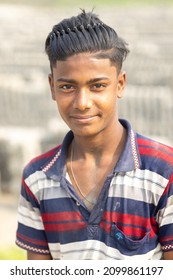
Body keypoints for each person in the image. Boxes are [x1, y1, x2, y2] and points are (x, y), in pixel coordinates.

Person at [16, 10, 173, 260]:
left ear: (120, 84)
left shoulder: (163, 170)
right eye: (67, 86)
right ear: (52, 87)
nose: (82, 102)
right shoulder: (37, 177)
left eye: (97, 86)